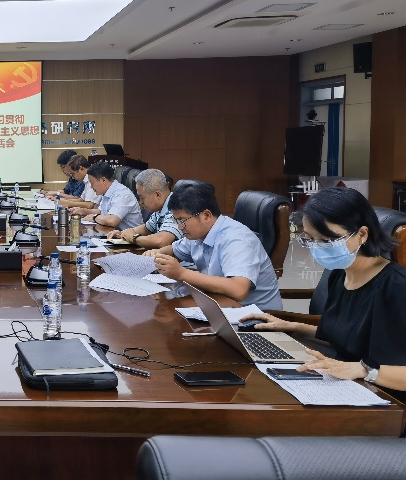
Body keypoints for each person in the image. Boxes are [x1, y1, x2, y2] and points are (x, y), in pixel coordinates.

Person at [240, 187, 406, 395]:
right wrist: (292, 326)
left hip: (386, 398)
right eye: (310, 239)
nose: (317, 247)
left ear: (362, 234)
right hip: (344, 384)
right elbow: (342, 337)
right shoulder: (341, 274)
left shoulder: (397, 286)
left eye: (327, 240)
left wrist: (363, 370)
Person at [145, 182, 282, 310]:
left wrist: (181, 273)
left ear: (206, 215)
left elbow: (238, 290)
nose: (180, 227)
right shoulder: (197, 233)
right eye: (176, 221)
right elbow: (175, 250)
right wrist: (157, 253)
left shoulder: (236, 239)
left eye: (182, 220)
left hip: (255, 316)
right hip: (218, 303)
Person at [106, 168, 182, 248]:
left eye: (142, 198)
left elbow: (161, 241)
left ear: (157, 194)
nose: (141, 202)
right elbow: (146, 229)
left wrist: (134, 238)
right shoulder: (160, 209)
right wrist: (123, 234)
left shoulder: (176, 207)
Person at [67, 161, 143, 231]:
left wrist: (94, 217)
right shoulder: (108, 191)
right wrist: (82, 211)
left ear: (103, 180)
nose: (91, 187)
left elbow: (112, 221)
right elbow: (101, 211)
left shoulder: (122, 194)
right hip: (114, 234)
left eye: (92, 182)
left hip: (130, 238)